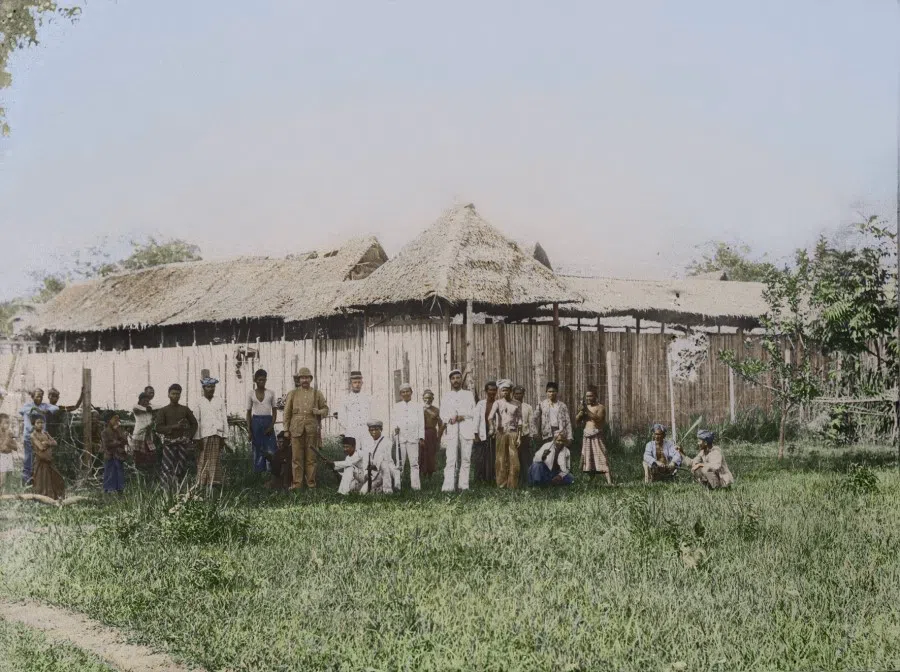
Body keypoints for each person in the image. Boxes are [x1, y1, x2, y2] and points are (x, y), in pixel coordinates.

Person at [283, 367, 329, 490]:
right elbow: (286, 413)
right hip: (296, 430)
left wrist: (318, 411)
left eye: (307, 377)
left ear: (310, 379)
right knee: (296, 458)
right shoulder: (292, 393)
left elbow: (326, 409)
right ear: (299, 379)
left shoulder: (317, 393)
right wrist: (286, 430)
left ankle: (311, 484)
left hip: (311, 431)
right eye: (302, 377)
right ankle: (297, 484)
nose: (304, 380)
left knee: (311, 459)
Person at [155, 384, 198, 488]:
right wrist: (175, 426)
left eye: (178, 394)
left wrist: (189, 436)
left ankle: (180, 490)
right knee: (167, 467)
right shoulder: (163, 410)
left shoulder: (185, 409)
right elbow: (158, 428)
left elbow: (194, 424)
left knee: (181, 467)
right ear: (168, 395)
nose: (175, 396)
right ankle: (166, 490)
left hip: (182, 444)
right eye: (173, 393)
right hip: (169, 443)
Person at [439, 369, 476, 492]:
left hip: (466, 428)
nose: (455, 380)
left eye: (458, 378)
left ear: (461, 380)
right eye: (453, 378)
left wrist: (462, 416)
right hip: (452, 428)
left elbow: (473, 412)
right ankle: (448, 486)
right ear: (450, 381)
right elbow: (442, 414)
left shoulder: (468, 394)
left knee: (465, 458)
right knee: (451, 458)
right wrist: (450, 419)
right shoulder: (446, 396)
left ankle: (463, 485)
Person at [194, 371, 228, 490]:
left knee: (215, 459)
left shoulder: (219, 401)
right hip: (204, 435)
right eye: (208, 387)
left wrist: (224, 436)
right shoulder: (199, 402)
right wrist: (197, 438)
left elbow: (224, 419)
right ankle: (202, 482)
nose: (211, 389)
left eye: (213, 387)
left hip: (216, 434)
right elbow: (196, 420)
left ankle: (215, 482)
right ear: (203, 388)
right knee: (203, 458)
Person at [19, 388, 58, 486]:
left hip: (42, 437)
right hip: (29, 436)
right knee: (29, 458)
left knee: (40, 459)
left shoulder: (45, 405)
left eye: (41, 396)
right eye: (37, 396)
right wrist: (38, 410)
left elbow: (55, 408)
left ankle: (37, 481)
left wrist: (44, 410)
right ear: (32, 397)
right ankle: (26, 481)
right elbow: (23, 411)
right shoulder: (27, 405)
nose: (40, 398)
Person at [487, 380, 522, 489]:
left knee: (514, 460)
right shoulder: (497, 403)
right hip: (501, 433)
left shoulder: (517, 403)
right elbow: (490, 417)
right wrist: (493, 427)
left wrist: (519, 437)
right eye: (503, 390)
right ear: (500, 391)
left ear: (511, 391)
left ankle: (512, 485)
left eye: (507, 390)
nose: (505, 393)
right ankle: (501, 484)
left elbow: (520, 421)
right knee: (501, 459)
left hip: (513, 433)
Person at [392, 383, 425, 491]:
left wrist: (421, 437)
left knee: (414, 463)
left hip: (413, 438)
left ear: (411, 392)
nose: (405, 393)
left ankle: (415, 487)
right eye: (403, 392)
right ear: (400, 394)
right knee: (399, 463)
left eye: (407, 391)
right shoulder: (396, 406)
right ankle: (398, 485)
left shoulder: (418, 406)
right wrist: (394, 430)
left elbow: (421, 423)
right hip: (400, 439)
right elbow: (393, 422)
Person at [576, 388, 612, 484]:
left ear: (596, 396)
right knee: (588, 458)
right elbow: (577, 420)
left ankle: (609, 481)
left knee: (601, 456)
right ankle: (591, 479)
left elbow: (598, 419)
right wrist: (580, 413)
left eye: (591, 396)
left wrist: (586, 410)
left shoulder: (600, 407)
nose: (588, 398)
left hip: (597, 435)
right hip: (586, 435)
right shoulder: (586, 408)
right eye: (587, 396)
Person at [246, 369, 277, 473]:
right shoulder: (250, 394)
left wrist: (271, 426)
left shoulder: (271, 393)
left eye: (263, 380)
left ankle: (271, 473)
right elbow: (248, 413)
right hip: (256, 422)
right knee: (257, 448)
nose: (261, 382)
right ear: (255, 380)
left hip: (268, 421)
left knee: (271, 448)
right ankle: (258, 474)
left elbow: (274, 411)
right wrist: (250, 430)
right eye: (259, 380)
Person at [30, 414, 65, 500]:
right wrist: (48, 444)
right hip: (40, 461)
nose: (40, 424)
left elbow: (55, 442)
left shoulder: (46, 433)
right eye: (38, 422)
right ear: (33, 424)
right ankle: (41, 498)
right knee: (41, 480)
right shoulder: (33, 435)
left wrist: (46, 443)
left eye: (42, 422)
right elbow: (40, 447)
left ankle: (51, 497)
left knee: (54, 478)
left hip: (49, 460)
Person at [334, 371, 372, 447]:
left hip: (366, 431)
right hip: (352, 431)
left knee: (367, 452)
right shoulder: (345, 399)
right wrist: (349, 427)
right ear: (351, 384)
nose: (357, 385)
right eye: (355, 382)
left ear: (362, 383)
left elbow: (372, 413)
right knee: (354, 453)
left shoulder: (368, 398)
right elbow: (341, 417)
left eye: (359, 382)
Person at [473, 381, 498, 483]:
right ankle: (479, 479)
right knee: (481, 457)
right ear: (486, 391)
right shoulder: (481, 404)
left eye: (494, 390)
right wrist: (475, 434)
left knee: (492, 456)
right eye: (490, 390)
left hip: (494, 432)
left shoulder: (498, 403)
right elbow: (476, 420)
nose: (492, 392)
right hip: (482, 432)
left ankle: (491, 478)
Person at [360, 420, 394, 494]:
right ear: (369, 431)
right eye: (371, 430)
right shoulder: (367, 443)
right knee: (363, 492)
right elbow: (365, 460)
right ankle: (379, 488)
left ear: (381, 430)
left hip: (386, 471)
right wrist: (366, 473)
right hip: (374, 473)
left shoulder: (387, 441)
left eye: (376, 429)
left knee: (384, 464)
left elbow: (384, 458)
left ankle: (388, 491)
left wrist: (374, 465)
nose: (374, 432)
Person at [512, 386, 535, 486]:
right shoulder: (510, 406)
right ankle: (516, 481)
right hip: (513, 436)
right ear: (513, 394)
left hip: (524, 436)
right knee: (514, 459)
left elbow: (531, 423)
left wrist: (531, 435)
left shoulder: (528, 407)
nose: (518, 396)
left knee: (525, 459)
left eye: (520, 393)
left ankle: (527, 480)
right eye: (516, 394)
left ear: (523, 394)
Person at [101, 414, 128, 494]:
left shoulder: (118, 431)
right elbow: (107, 444)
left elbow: (124, 441)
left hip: (119, 455)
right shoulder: (105, 432)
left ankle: (119, 488)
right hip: (110, 455)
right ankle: (109, 488)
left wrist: (121, 436)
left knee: (119, 471)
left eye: (118, 419)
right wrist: (117, 442)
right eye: (115, 419)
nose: (117, 421)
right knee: (110, 471)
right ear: (109, 420)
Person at [130, 392, 156, 471]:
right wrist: (149, 408)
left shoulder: (150, 409)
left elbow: (160, 407)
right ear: (140, 401)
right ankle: (138, 473)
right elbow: (138, 408)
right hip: (138, 436)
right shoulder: (136, 408)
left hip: (148, 436)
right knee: (138, 456)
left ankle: (147, 473)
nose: (145, 403)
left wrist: (150, 408)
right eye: (144, 401)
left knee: (150, 455)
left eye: (147, 401)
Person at [421, 389, 443, 479]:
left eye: (430, 398)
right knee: (422, 454)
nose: (428, 400)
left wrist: (439, 437)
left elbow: (441, 424)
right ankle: (422, 474)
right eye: (426, 398)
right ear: (423, 399)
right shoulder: (420, 409)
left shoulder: (436, 410)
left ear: (432, 399)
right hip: (422, 433)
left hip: (432, 433)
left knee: (431, 454)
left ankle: (430, 475)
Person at [0, 413, 17, 493]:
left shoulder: (10, 434)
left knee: (10, 474)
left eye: (8, 423)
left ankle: (8, 494)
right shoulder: (3, 434)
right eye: (6, 423)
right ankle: (1, 494)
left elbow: (15, 447)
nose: (8, 425)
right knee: (2, 476)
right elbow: (2, 448)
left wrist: (9, 442)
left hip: (9, 455)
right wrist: (7, 437)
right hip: (2, 456)